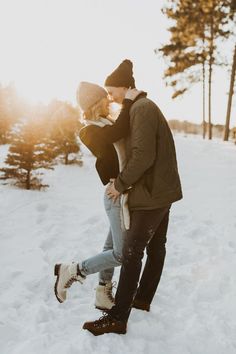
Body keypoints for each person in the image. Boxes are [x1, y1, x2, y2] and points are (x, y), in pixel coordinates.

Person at [82, 59, 183, 335]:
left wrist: (121, 184)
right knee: (155, 246)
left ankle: (117, 317)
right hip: (161, 190)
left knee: (131, 252)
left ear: (124, 87)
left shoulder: (141, 108)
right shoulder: (139, 106)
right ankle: (141, 299)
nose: (110, 96)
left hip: (152, 193)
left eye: (112, 90)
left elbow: (143, 155)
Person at [54, 79, 142, 310]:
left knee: (110, 248)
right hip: (114, 196)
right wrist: (129, 101)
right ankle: (73, 270)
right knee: (121, 254)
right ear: (94, 103)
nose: (108, 103)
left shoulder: (105, 123)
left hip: (122, 192)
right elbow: (118, 131)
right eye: (104, 99)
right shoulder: (89, 130)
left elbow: (123, 131)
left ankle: (103, 292)